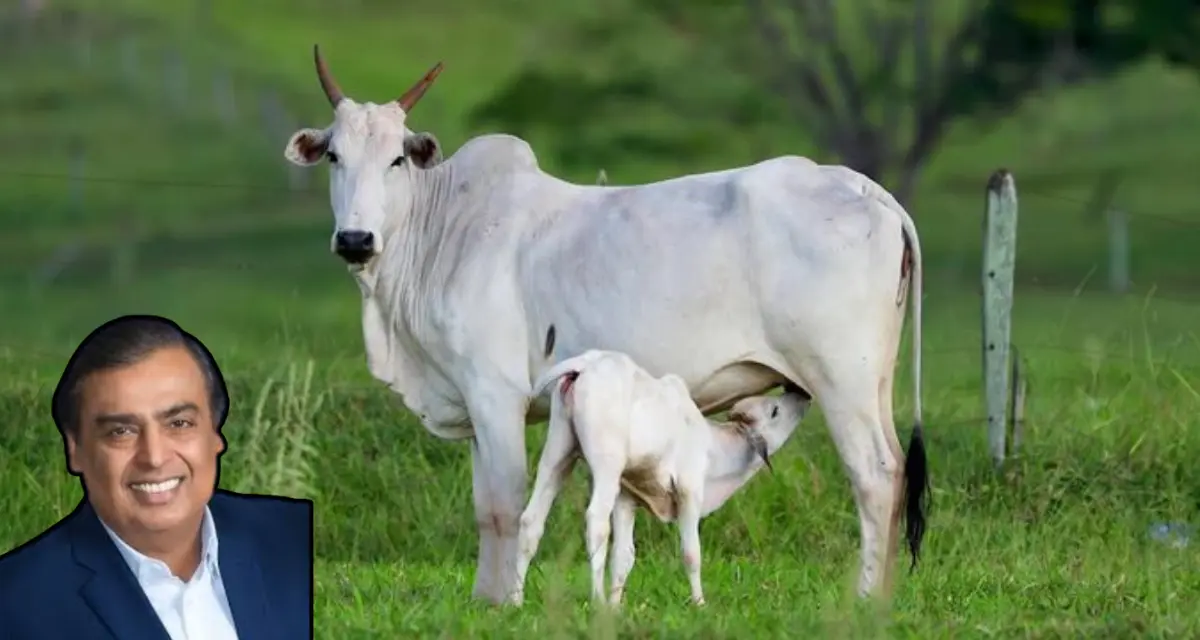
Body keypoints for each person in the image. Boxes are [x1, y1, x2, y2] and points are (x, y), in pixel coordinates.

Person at [0, 314, 314, 640]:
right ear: (75, 448)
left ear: (214, 434)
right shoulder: (12, 606)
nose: (154, 457)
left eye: (179, 423)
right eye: (121, 431)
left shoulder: (299, 538)